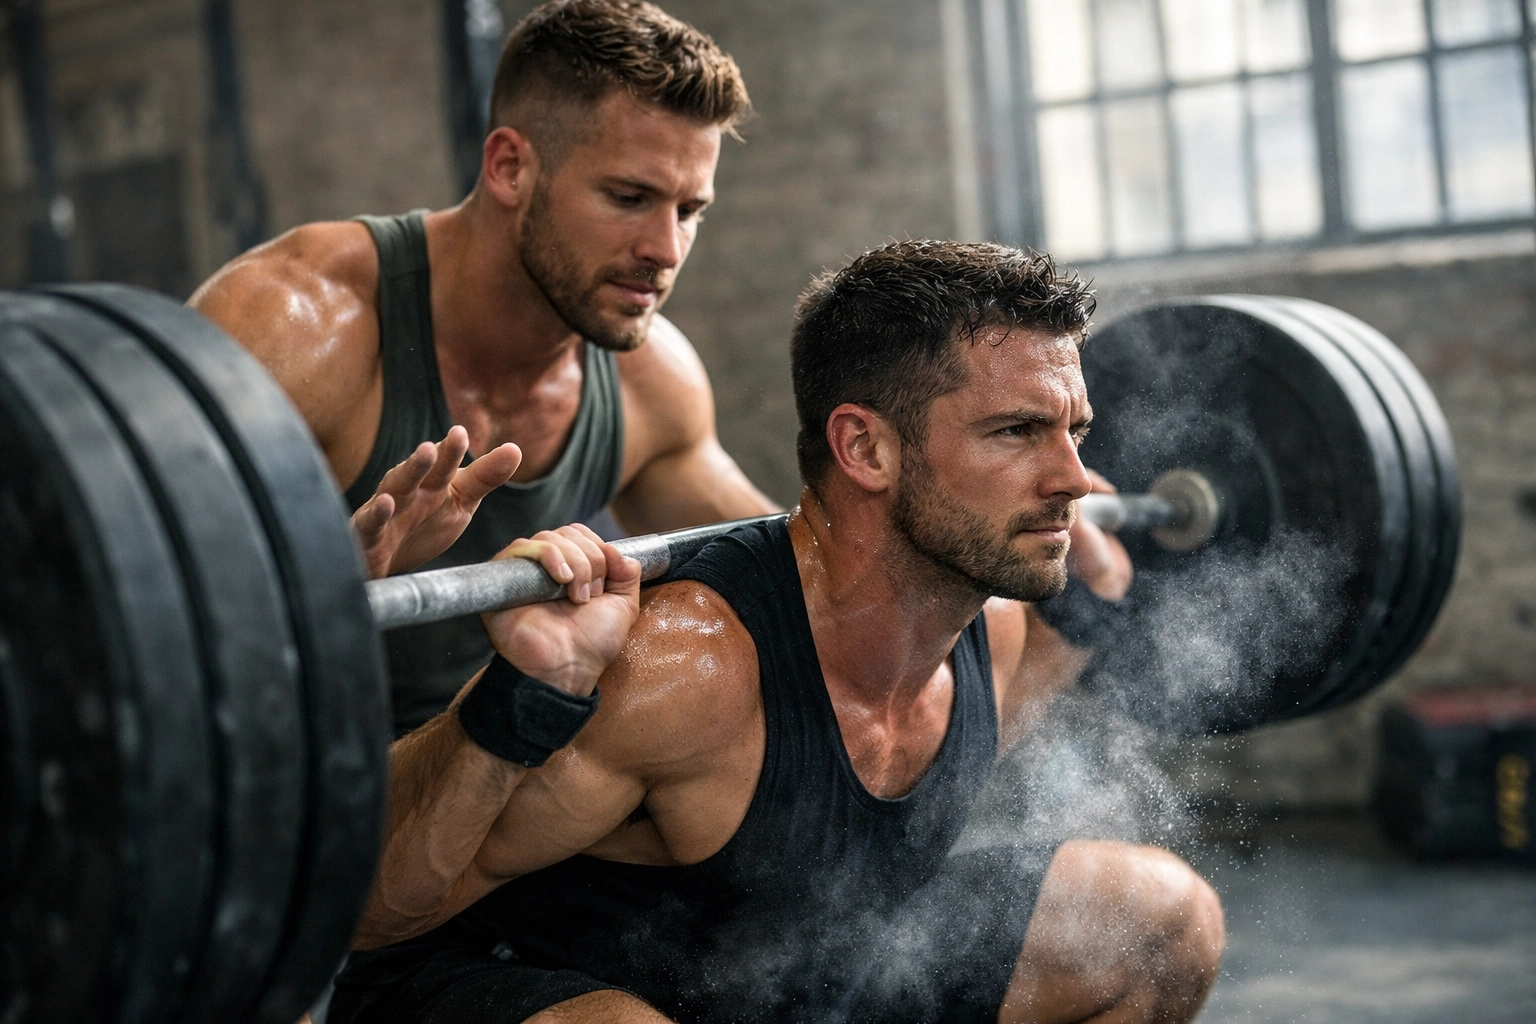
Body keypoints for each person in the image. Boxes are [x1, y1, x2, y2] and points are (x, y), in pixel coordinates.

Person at [329, 240, 1225, 1024]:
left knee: (1162, 924)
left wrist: (1081, 614)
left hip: (785, 969)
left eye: (1074, 430)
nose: (1075, 476)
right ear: (865, 449)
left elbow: (941, 783)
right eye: (1020, 431)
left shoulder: (990, 631)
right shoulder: (684, 671)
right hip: (535, 987)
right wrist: (522, 696)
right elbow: (369, 913)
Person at [188, 0, 777, 735]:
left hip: (507, 775)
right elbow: (132, 613)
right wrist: (331, 578)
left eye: (690, 210)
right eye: (629, 197)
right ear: (510, 167)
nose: (666, 248)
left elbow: (789, 567)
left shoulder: (650, 380)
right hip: (306, 788)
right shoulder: (297, 325)